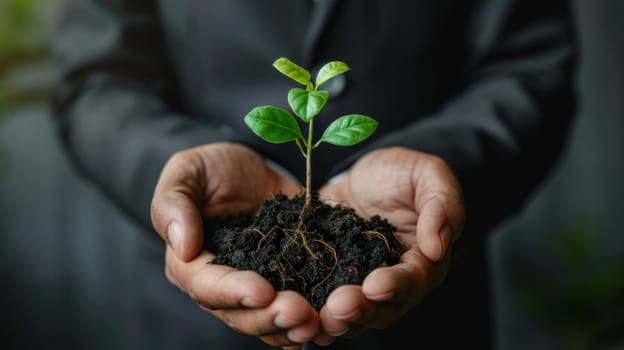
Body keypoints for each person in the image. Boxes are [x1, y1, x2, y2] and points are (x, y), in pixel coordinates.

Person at [52, 0, 578, 349]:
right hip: (194, 317)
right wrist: (180, 166)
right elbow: (96, 81)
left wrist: (442, 169)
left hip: (426, 316)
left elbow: (529, 66)